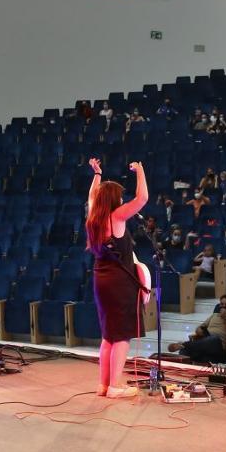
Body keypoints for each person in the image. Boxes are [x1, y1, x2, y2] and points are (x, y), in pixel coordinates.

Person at [87, 157, 150, 398]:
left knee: (108, 336)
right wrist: (140, 171)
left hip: (100, 280)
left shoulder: (93, 217)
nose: (123, 200)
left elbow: (92, 196)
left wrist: (97, 175)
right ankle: (115, 386)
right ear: (114, 200)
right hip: (119, 283)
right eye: (120, 197)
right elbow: (142, 198)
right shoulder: (116, 217)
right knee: (122, 335)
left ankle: (103, 385)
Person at [168, 293, 226, 363]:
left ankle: (184, 344)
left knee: (214, 338)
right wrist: (199, 330)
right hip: (205, 341)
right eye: (222, 304)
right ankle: (183, 351)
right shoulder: (214, 315)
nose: (224, 306)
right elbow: (200, 327)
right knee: (184, 351)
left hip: (218, 345)